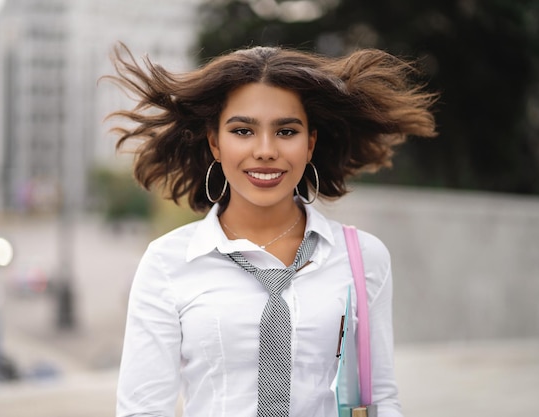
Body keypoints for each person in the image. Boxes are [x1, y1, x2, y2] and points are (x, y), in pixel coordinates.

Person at [106, 43, 437, 417]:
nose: (265, 150)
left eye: (286, 131)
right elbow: (143, 410)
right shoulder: (167, 263)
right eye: (243, 130)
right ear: (215, 142)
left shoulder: (363, 257)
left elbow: (380, 399)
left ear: (310, 143)